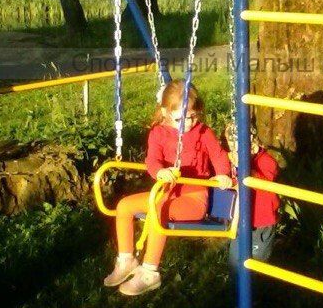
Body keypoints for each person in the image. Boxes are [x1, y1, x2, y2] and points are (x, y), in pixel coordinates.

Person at [103, 79, 232, 296]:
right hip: (166, 194)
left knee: (157, 211)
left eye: (193, 116)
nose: (188, 123)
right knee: (124, 206)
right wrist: (160, 171)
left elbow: (218, 156)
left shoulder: (203, 132)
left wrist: (222, 174)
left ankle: (150, 273)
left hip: (194, 199)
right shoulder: (158, 133)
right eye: (181, 118)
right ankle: (126, 260)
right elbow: (153, 160)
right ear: (165, 112)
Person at [224, 122, 280, 270]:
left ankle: (257, 282)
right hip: (240, 220)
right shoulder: (234, 162)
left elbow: (264, 184)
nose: (235, 154)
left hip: (261, 221)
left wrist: (245, 168)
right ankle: (235, 282)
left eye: (239, 150)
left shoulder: (267, 161)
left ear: (254, 146)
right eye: (232, 149)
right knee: (235, 261)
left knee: (257, 262)